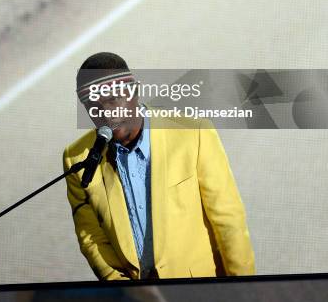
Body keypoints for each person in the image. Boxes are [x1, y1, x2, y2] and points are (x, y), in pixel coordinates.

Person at [62, 52, 256, 281]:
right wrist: (123, 288)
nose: (107, 114)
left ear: (134, 90)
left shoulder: (194, 135)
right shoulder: (78, 159)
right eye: (94, 106)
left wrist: (243, 287)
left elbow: (228, 221)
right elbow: (91, 237)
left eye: (113, 100)